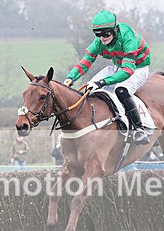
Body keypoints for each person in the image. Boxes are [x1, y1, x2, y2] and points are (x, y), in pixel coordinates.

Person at [62, 10, 153, 144]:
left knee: (121, 90)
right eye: (98, 34)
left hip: (137, 68)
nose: (102, 38)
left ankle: (139, 129)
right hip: (119, 66)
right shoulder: (99, 42)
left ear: (115, 29)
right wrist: (70, 78)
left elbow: (128, 70)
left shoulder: (127, 37)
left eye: (106, 34)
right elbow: (85, 63)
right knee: (89, 88)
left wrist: (103, 82)